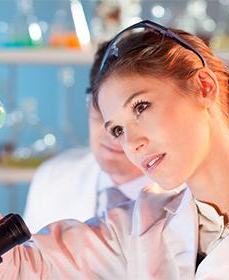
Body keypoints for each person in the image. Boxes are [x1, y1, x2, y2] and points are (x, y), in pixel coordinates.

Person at [0, 19, 229, 278]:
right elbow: (15, 271)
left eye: (141, 107)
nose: (131, 143)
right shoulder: (137, 228)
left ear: (203, 86)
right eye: (117, 128)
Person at [23, 41, 163, 233]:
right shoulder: (53, 177)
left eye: (137, 110)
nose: (112, 135)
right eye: (101, 112)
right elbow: (25, 259)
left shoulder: (190, 197)